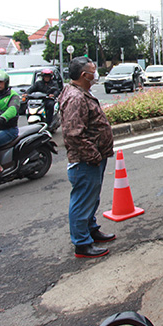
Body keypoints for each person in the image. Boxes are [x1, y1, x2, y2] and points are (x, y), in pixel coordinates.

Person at [59, 57, 116, 259]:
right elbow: (73, 133)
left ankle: (91, 230)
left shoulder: (81, 93)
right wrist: (93, 155)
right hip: (86, 160)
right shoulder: (76, 98)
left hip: (94, 158)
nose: (96, 74)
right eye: (93, 71)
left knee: (91, 198)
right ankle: (82, 244)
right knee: (82, 201)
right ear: (85, 75)